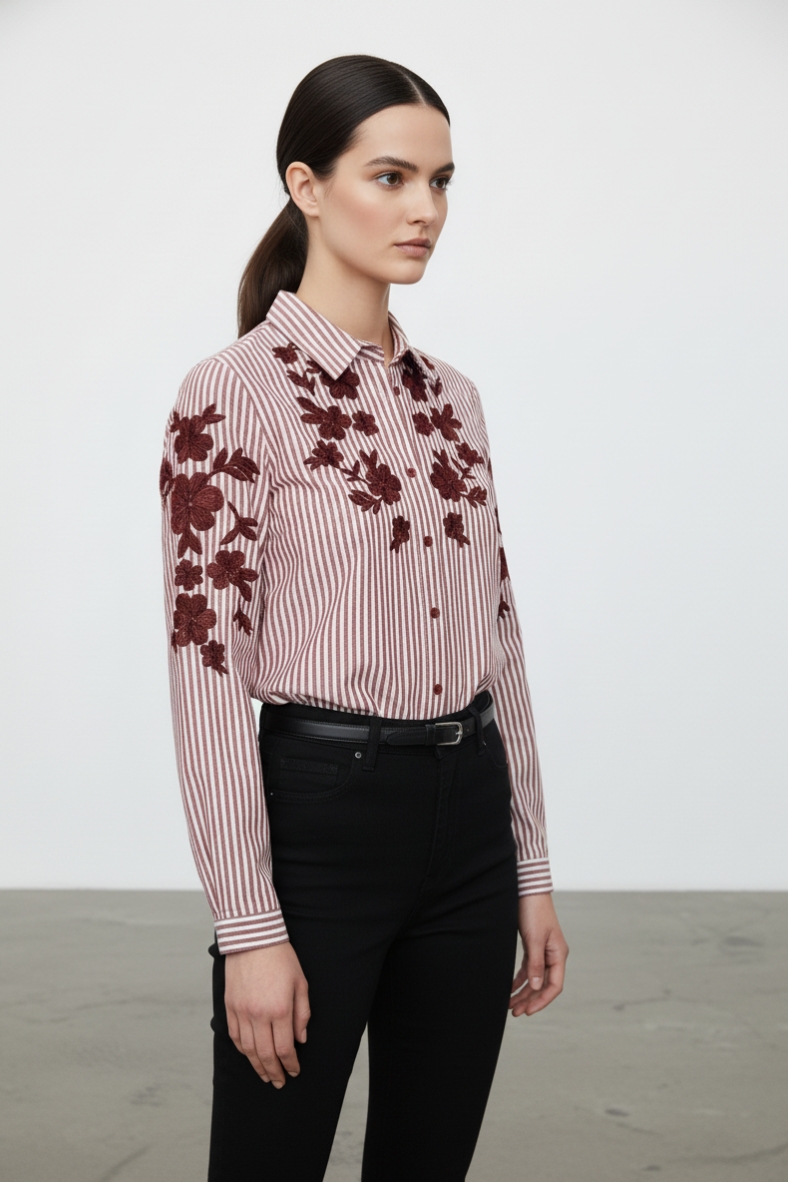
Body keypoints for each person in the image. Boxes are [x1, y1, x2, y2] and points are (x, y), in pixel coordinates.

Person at [160, 53, 569, 1182]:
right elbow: (204, 672)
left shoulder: (454, 402)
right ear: (305, 185)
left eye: (440, 181)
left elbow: (498, 638)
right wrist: (249, 929)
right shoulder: (231, 394)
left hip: (469, 821)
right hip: (321, 829)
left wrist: (529, 868)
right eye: (390, 177)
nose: (424, 209)